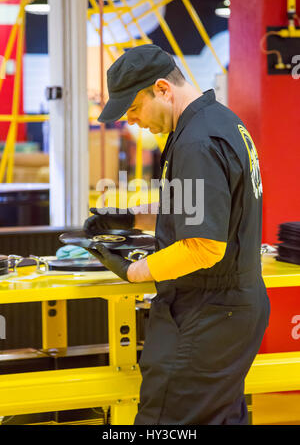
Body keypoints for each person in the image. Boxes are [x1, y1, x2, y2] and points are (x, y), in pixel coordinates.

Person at [84, 44, 270, 425]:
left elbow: (203, 247)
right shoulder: (219, 122)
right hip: (229, 310)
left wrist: (134, 270)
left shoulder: (196, 143)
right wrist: (131, 220)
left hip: (206, 315)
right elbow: (207, 210)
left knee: (166, 422)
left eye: (134, 109)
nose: (132, 121)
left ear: (163, 89)